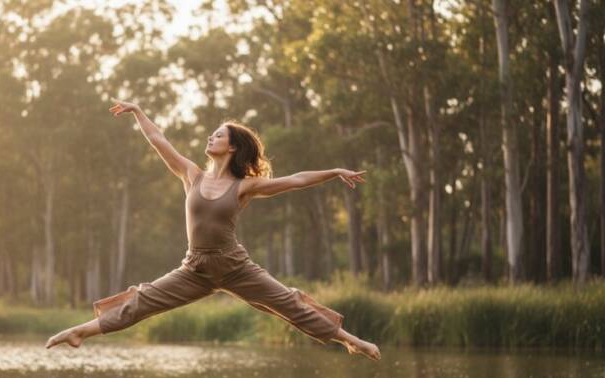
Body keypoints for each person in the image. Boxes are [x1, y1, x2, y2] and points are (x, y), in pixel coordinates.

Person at [45, 100, 380, 361]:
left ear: (232, 147)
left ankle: (353, 342)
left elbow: (294, 181)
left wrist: (334, 171)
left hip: (235, 267)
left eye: (219, 135)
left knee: (291, 306)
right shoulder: (192, 175)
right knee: (142, 301)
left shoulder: (245, 186)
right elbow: (159, 140)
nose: (211, 136)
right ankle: (79, 333)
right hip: (195, 269)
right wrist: (138, 112)